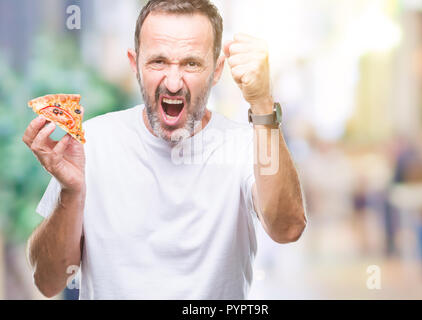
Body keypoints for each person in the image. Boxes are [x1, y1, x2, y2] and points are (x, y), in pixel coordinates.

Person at [22, 0, 307, 299]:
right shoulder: (91, 143)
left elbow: (287, 229)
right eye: (158, 61)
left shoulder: (244, 146)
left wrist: (262, 103)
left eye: (191, 63)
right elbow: (48, 281)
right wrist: (70, 193)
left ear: (217, 69)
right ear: (135, 64)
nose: (173, 83)